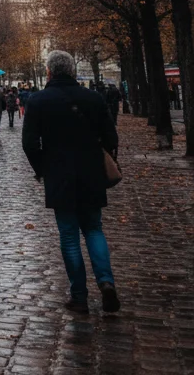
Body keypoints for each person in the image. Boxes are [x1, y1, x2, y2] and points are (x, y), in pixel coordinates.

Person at [22, 50, 121, 314]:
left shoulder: (38, 101)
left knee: (69, 236)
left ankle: (79, 295)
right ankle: (106, 282)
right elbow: (111, 137)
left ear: (49, 72)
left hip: (59, 174)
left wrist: (42, 168)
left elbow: (29, 143)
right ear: (73, 71)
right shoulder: (93, 98)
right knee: (94, 229)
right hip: (90, 172)